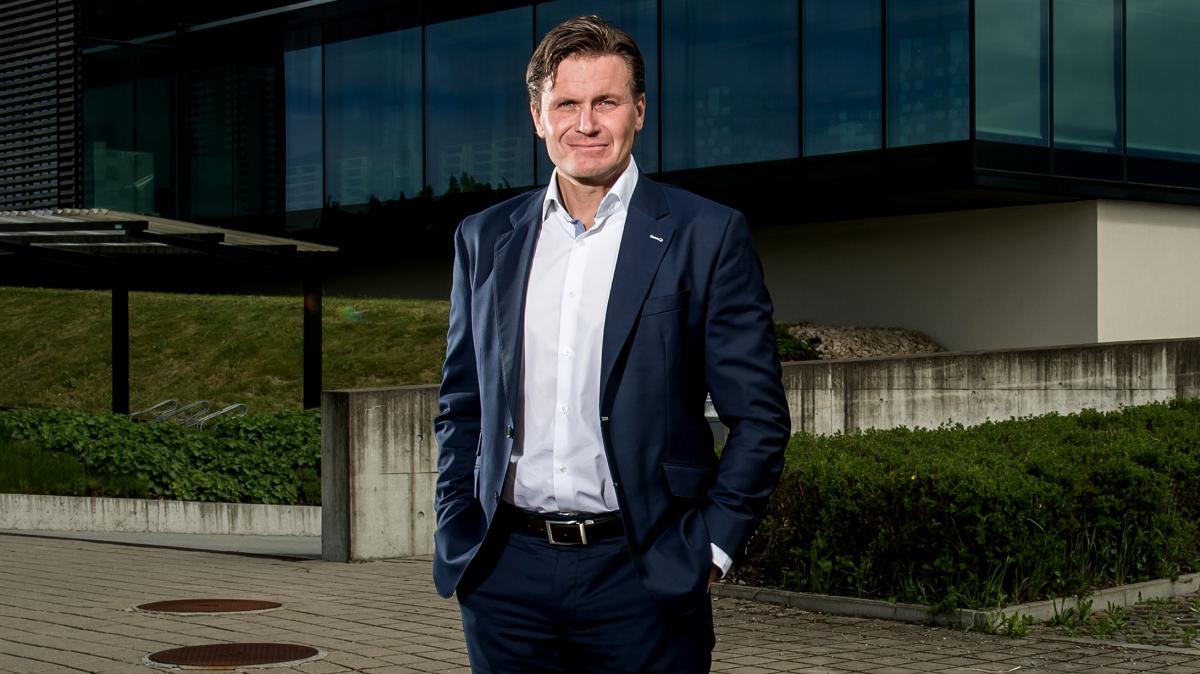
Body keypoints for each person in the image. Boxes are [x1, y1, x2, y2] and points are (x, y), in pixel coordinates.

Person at [433, 15, 790, 674]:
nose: (587, 123)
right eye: (566, 103)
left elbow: (760, 418)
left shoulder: (706, 235)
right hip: (505, 577)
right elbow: (462, 404)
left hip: (644, 575)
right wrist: (456, 518)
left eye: (606, 101)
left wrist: (711, 549)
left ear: (639, 112)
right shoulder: (483, 239)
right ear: (538, 117)